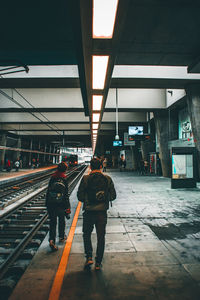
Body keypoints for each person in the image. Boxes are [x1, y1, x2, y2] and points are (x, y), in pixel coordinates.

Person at [77, 157, 116, 270]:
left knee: (86, 234)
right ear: (101, 166)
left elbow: (79, 196)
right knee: (101, 237)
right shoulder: (107, 179)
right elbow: (113, 196)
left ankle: (89, 257)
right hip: (101, 213)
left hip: (89, 212)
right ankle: (98, 262)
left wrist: (89, 200)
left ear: (90, 167)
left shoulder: (85, 179)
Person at [46, 162, 71, 251]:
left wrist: (47, 204)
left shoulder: (53, 178)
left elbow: (48, 192)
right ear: (65, 170)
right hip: (60, 204)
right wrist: (68, 207)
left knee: (52, 222)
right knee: (61, 220)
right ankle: (61, 236)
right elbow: (66, 195)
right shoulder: (64, 179)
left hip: (51, 204)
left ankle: (51, 240)